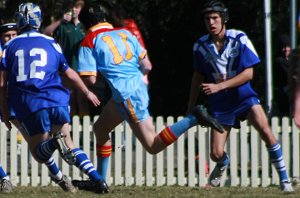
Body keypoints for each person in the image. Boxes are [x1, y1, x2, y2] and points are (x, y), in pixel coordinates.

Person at [75, 1, 224, 187]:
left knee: (152, 145)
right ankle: (99, 180)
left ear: (85, 25)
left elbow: (89, 80)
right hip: (135, 88)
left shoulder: (88, 41)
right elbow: (147, 66)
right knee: (100, 129)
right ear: (104, 18)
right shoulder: (125, 32)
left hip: (125, 94)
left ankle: (193, 118)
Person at [0, 2, 108, 194]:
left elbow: (2, 84)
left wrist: (6, 111)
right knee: (71, 146)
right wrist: (87, 92)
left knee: (40, 153)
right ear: (38, 20)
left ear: (19, 20)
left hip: (32, 102)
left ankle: (53, 143)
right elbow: (69, 73)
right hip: (58, 99)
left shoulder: (9, 47)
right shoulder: (51, 42)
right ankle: (98, 180)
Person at [186, 0, 294, 192]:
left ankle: (285, 181)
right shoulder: (200, 46)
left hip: (244, 97)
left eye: (215, 18)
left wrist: (220, 87)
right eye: (207, 19)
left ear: (224, 19)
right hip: (220, 104)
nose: (211, 22)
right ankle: (223, 163)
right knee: (215, 153)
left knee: (266, 131)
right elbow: (197, 76)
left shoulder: (239, 38)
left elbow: (249, 74)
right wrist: (190, 108)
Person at [43, 0, 90, 118]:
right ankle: (70, 128)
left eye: (77, 8)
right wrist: (59, 20)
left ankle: (84, 130)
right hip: (66, 69)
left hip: (82, 69)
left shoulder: (83, 27)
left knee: (82, 99)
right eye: (72, 7)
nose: (74, 10)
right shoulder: (63, 26)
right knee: (70, 99)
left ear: (80, 10)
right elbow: (46, 32)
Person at [273, 34, 292, 117]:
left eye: (288, 46)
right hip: (284, 92)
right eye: (283, 47)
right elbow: (290, 73)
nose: (286, 49)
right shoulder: (279, 61)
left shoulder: (292, 59)